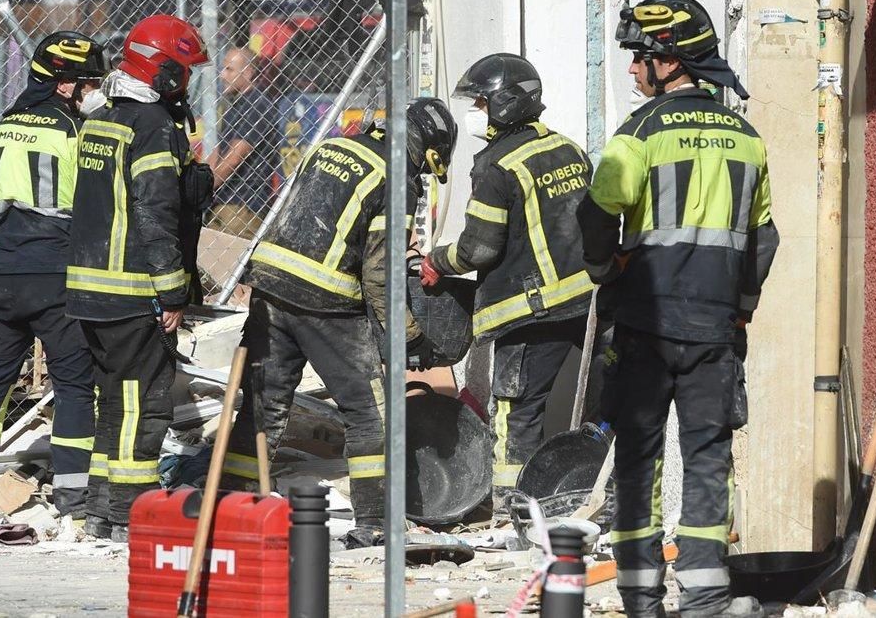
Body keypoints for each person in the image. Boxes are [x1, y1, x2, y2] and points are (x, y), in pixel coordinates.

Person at [578, 0, 776, 618]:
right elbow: (763, 237)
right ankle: (706, 598)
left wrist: (605, 271)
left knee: (638, 457)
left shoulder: (637, 133)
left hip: (644, 323)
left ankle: (641, 599)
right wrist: (741, 307)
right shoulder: (747, 136)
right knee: (709, 458)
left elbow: (596, 211)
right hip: (715, 328)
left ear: (670, 63)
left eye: (641, 57)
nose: (633, 70)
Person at [226, 97, 457, 543]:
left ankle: (231, 505)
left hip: (270, 282)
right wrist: (408, 335)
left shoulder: (336, 144)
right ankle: (374, 525)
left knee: (263, 404)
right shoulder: (397, 179)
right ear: (425, 149)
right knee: (370, 412)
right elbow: (380, 272)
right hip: (325, 298)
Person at [0, 32, 108, 535]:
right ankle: (76, 504)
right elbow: (95, 213)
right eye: (88, 83)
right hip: (58, 277)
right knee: (76, 386)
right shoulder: (73, 134)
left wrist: (9, 252)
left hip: (4, 278)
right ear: (65, 87)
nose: (93, 92)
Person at [420, 53, 596, 504]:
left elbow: (478, 249)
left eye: (480, 102)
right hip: (587, 303)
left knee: (517, 412)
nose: (474, 113)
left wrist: (438, 261)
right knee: (600, 403)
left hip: (529, 310)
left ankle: (511, 507)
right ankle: (594, 493)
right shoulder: (569, 149)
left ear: (504, 103)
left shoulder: (496, 166)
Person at [67, 14, 213, 541]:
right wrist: (173, 290)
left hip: (90, 292)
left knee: (113, 404)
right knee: (143, 407)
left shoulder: (103, 118)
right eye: (187, 72)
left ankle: (102, 513)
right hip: (133, 291)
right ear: (165, 73)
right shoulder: (152, 129)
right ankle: (131, 515)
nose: (190, 83)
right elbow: (154, 216)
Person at [206, 46, 280, 238]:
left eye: (229, 69)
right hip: (223, 202)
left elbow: (235, 157)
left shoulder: (258, 104)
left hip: (242, 206)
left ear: (247, 73)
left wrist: (201, 188)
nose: (222, 75)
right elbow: (218, 153)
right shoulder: (237, 106)